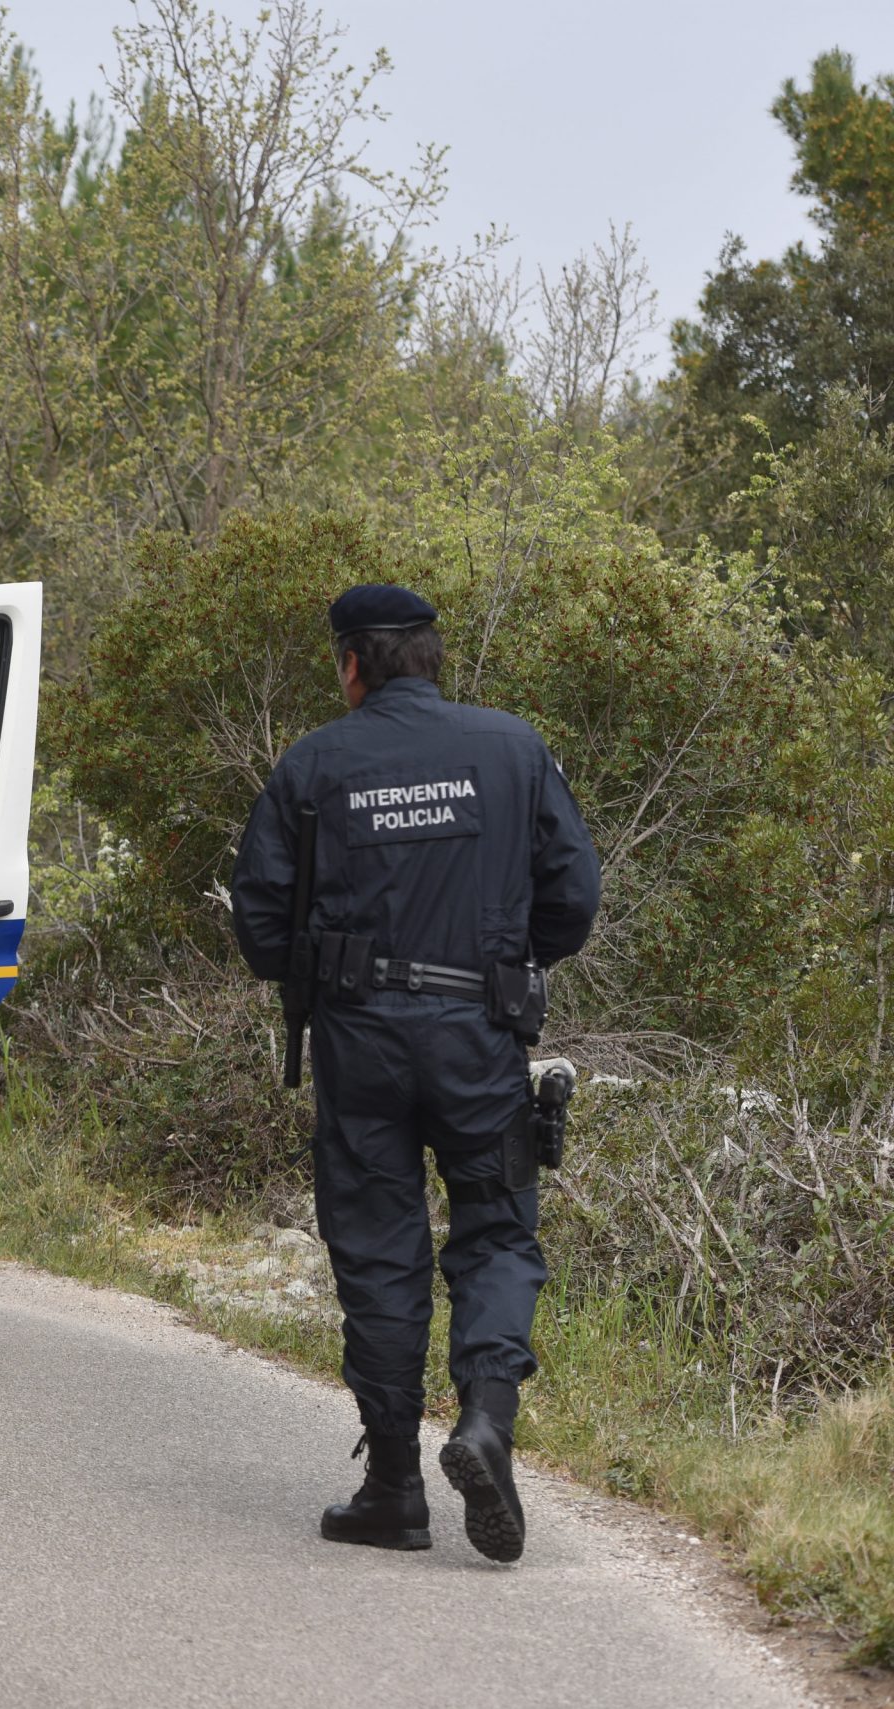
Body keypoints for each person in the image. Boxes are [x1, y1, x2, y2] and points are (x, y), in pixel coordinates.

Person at [229, 584, 600, 1563]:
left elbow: (259, 925)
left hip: (360, 1044)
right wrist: (513, 962)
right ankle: (483, 1421)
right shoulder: (512, 748)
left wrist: (327, 971)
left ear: (352, 664)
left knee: (379, 1248)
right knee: (494, 1228)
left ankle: (392, 1484)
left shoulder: (313, 763)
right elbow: (574, 893)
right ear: (432, 658)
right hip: (479, 1033)